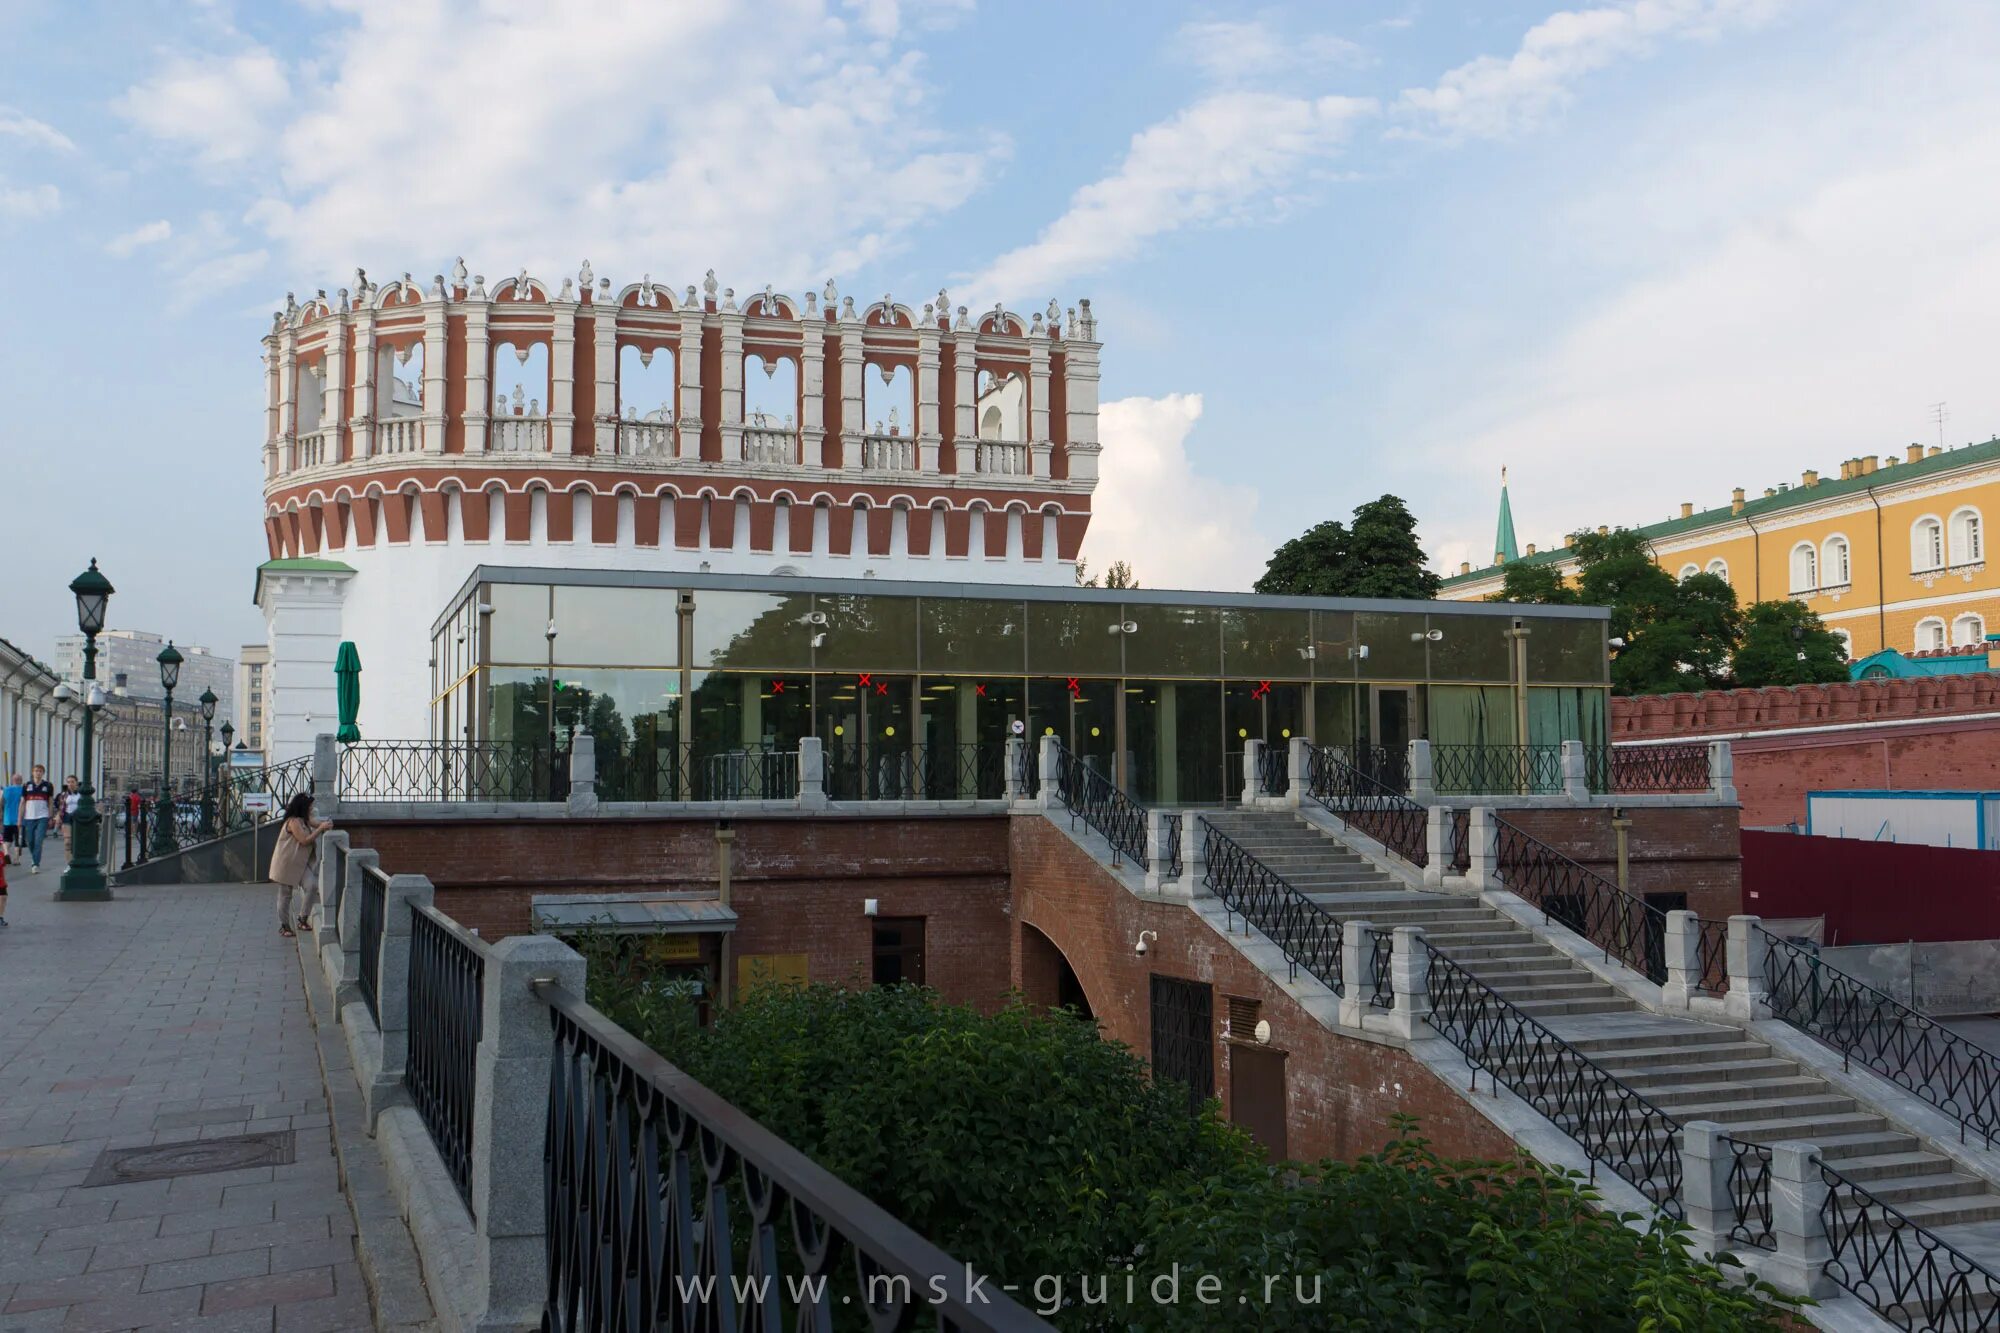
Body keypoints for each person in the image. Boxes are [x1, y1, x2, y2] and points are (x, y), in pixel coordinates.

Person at [269, 791, 332, 939]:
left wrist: (325, 824)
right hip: (286, 863)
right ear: (303, 807)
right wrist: (321, 829)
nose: (312, 808)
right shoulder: (293, 822)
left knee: (311, 886)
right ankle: (284, 926)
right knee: (285, 895)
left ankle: (302, 918)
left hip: (299, 863)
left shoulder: (303, 819)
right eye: (310, 806)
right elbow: (304, 840)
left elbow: (315, 822)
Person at [18, 766, 54, 873]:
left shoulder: (48, 785)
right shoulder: (26, 785)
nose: (38, 773)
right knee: (30, 841)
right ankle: (34, 857)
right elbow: (22, 803)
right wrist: (19, 819)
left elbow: (51, 802)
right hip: (29, 817)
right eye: (36, 771)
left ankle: (35, 863)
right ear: (32, 773)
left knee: (39, 840)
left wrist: (50, 817)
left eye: (40, 771)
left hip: (42, 816)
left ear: (43, 773)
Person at [1, 774, 21, 866]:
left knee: (6, 839)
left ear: (12, 780)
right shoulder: (22, 790)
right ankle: (16, 859)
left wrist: (1, 813)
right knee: (17, 840)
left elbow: (1, 802)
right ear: (20, 780)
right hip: (19, 819)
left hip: (7, 819)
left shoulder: (6, 790)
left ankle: (6, 853)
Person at [58, 777, 80, 852]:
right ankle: (69, 862)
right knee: (67, 842)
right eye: (68, 782)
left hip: (78, 817)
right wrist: (59, 817)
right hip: (67, 817)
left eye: (72, 782)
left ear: (76, 783)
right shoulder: (64, 794)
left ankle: (76, 858)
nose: (70, 784)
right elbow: (61, 807)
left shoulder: (81, 794)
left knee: (77, 841)